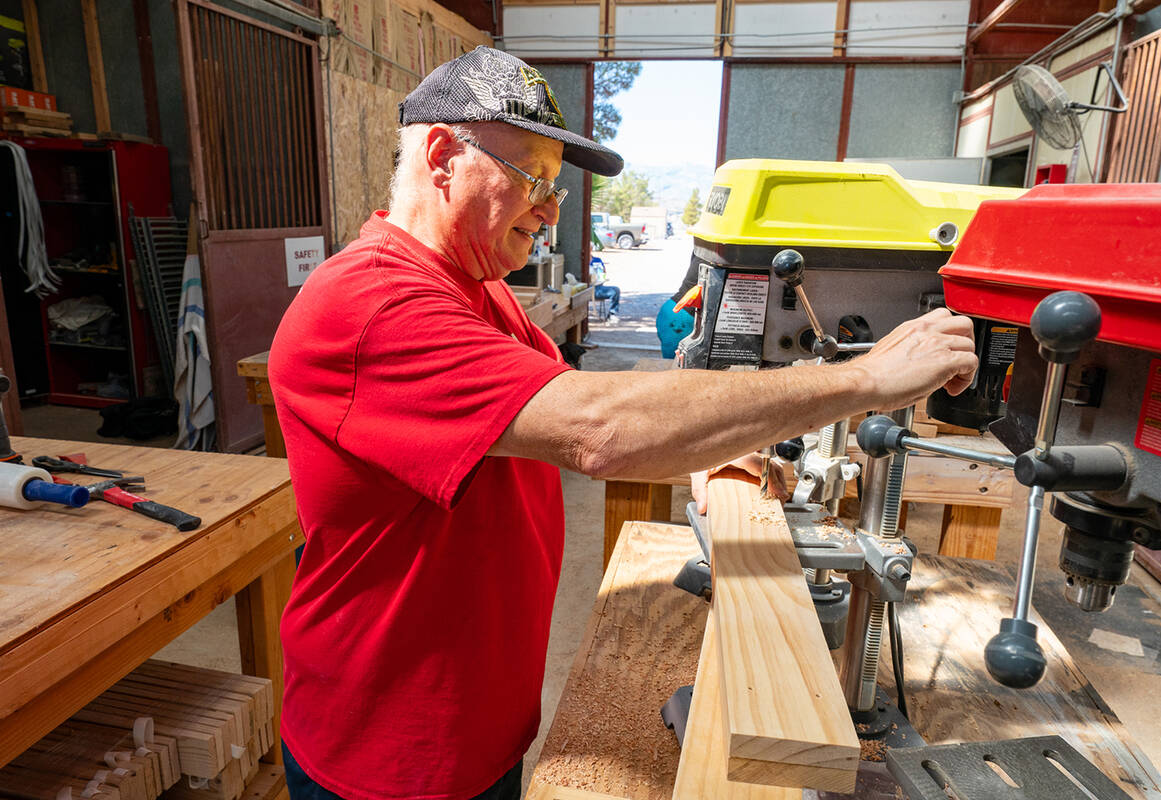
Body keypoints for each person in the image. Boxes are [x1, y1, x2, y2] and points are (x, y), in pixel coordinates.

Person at [269, 46, 978, 800]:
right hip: (389, 752)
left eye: (558, 191)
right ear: (444, 156)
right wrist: (865, 379)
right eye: (536, 179)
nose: (550, 209)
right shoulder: (373, 304)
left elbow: (588, 402)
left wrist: (731, 436)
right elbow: (598, 429)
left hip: (474, 727)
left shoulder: (481, 288)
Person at [589, 254, 621, 322]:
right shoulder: (581, 262)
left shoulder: (597, 260)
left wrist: (602, 273)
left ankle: (612, 314)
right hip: (587, 289)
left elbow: (603, 273)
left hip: (598, 287)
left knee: (615, 290)